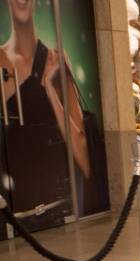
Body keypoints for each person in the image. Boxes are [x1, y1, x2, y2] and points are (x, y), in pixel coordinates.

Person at [1, 0, 93, 223]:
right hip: (11, 215)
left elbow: (83, 157)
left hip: (59, 211)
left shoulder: (55, 60)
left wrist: (50, 90)